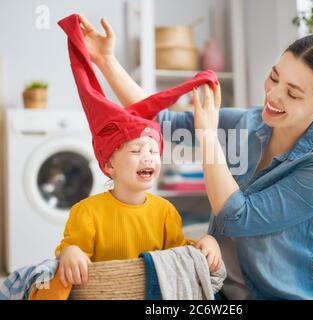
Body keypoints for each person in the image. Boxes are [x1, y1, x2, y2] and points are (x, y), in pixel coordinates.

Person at [79, 15, 313, 299]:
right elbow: (160, 120)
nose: (272, 94)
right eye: (274, 76)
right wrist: (105, 60)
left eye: (292, 94)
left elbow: (238, 218)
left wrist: (208, 136)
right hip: (219, 291)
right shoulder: (247, 123)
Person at [54, 14, 223, 290]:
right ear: (109, 166)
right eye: (136, 151)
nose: (148, 157)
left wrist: (206, 244)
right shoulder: (86, 212)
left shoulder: (166, 212)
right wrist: (70, 253)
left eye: (153, 151)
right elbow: (70, 252)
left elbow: (179, 257)